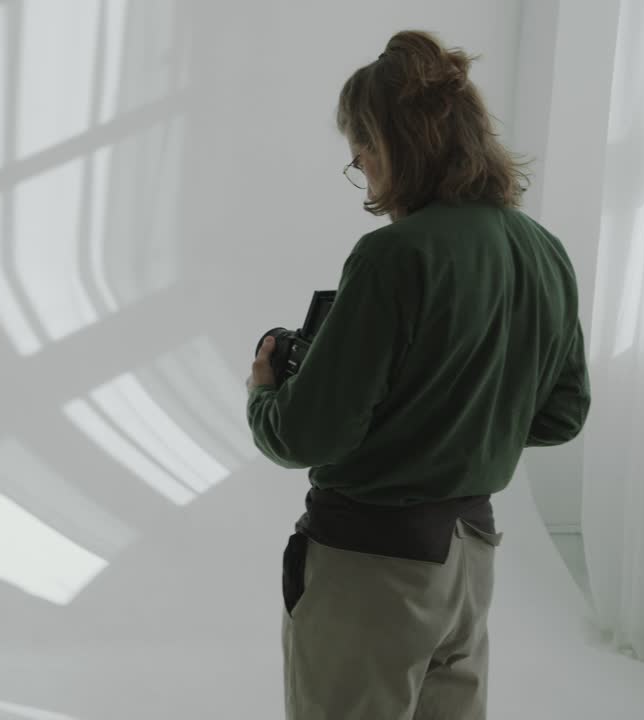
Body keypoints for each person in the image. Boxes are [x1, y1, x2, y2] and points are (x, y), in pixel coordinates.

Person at [246, 30, 591, 719]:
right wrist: (462, 416)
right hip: (470, 562)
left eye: (363, 149)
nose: (361, 168)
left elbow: (306, 435)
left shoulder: (392, 257)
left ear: (401, 145)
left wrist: (264, 390)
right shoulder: (542, 250)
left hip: (371, 566)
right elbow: (561, 414)